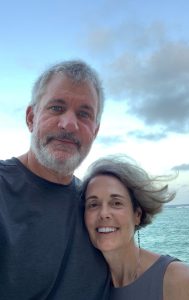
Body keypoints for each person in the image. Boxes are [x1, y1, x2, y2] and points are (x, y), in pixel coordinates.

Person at [0, 60, 110, 300]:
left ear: (95, 130)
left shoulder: (97, 206)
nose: (69, 124)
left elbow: (132, 268)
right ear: (31, 117)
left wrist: (173, 272)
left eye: (84, 114)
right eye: (57, 108)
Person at [82, 155, 189, 300]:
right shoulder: (85, 284)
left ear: (137, 214)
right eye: (93, 204)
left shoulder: (175, 278)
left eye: (116, 203)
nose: (104, 213)